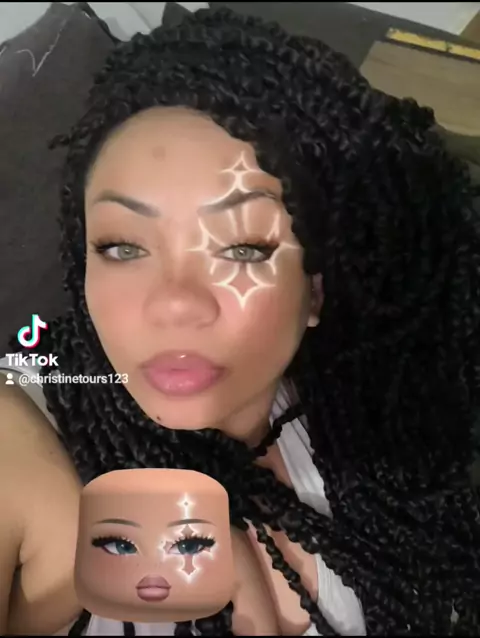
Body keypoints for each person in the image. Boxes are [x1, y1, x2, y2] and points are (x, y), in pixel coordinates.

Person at [1, 6, 479, 636]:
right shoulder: (21, 441)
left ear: (315, 290)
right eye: (122, 247)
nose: (175, 303)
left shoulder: (384, 417)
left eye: (244, 249)